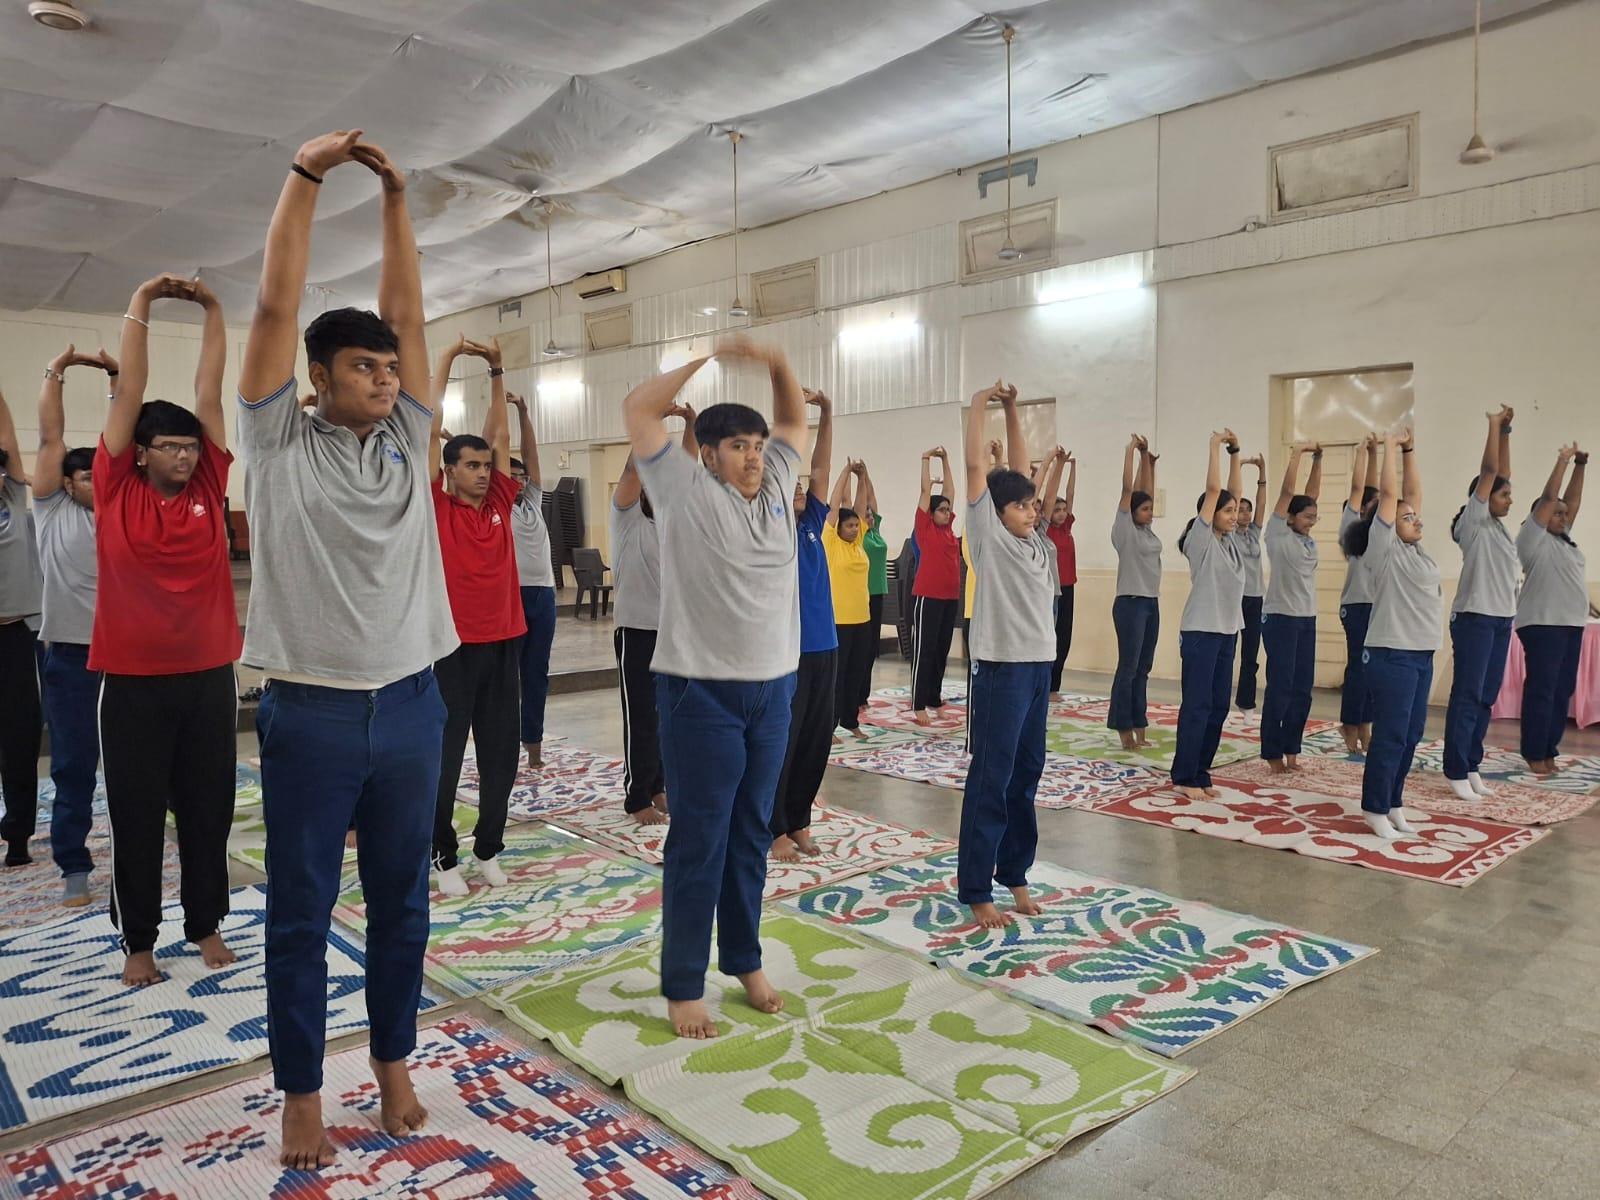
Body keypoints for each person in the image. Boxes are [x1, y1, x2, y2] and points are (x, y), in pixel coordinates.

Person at [238, 130, 458, 1168]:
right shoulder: (277, 439)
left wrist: (400, 198)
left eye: (388, 366)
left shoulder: (411, 440)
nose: (383, 377)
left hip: (413, 703)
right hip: (313, 709)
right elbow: (277, 311)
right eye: (362, 366)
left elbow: (409, 314)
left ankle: (395, 1060)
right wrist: (308, 177)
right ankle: (299, 1089)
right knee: (302, 907)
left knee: (403, 901)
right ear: (318, 378)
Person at [626, 336, 804, 1039]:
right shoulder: (682, 487)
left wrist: (778, 363)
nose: (754, 454)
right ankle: (681, 982)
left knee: (752, 833)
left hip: (772, 692)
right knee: (699, 838)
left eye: (755, 443)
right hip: (699, 692)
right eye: (735, 444)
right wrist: (709, 352)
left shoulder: (777, 483)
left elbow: (793, 425)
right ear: (706, 453)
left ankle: (744, 958)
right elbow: (638, 408)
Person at [95, 273, 240, 986]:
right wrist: (144, 301)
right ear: (141, 452)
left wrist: (214, 310)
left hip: (210, 676)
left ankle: (206, 924)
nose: (185, 455)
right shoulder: (116, 485)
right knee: (138, 817)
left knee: (209, 812)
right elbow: (130, 392)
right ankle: (139, 941)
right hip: (132, 684)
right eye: (171, 446)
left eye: (191, 446)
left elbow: (211, 390)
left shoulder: (210, 487)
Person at [427, 337, 525, 897]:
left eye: (488, 465)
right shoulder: (435, 506)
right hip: (450, 650)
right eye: (472, 465)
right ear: (448, 470)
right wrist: (445, 360)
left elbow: (500, 435)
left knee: (499, 758)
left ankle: (488, 847)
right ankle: (443, 856)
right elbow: (426, 426)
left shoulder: (500, 504)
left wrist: (495, 367)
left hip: (504, 644)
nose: (485, 472)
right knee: (443, 760)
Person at [957, 381, 1054, 929]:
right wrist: (980, 407)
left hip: (1037, 666)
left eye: (1032, 504)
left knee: (1028, 771)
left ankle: (1013, 871)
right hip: (1000, 668)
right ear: (996, 512)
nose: (1031, 511)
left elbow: (1022, 472)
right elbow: (978, 470)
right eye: (1019, 506)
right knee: (992, 774)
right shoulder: (988, 535)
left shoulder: (1035, 540)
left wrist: (1017, 408)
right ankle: (976, 885)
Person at [33, 345, 114, 905]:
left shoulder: (123, 510)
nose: (97, 484)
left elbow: (123, 436)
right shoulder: (52, 510)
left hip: (125, 655)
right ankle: (74, 866)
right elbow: (48, 439)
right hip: (67, 655)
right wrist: (57, 373)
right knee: (73, 763)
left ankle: (141, 848)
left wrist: (115, 375)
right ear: (67, 484)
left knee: (140, 762)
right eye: (87, 477)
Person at [611, 405, 696, 826]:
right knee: (641, 716)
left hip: (671, 632)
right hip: (636, 630)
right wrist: (648, 426)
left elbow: (687, 469)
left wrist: (692, 426)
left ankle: (659, 783)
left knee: (668, 713)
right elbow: (630, 472)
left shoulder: (672, 518)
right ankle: (636, 795)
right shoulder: (627, 517)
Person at [1352, 429, 1439, 839]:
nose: (1416, 519)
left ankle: (1394, 800)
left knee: (1412, 733)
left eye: (1415, 516)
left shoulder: (1416, 551)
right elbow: (1391, 496)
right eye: (1407, 517)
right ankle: (1374, 807)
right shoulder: (1382, 549)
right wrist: (1388, 447)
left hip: (1421, 655)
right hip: (1391, 654)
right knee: (1390, 733)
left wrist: (1409, 449)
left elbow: (1412, 493)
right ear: (1385, 525)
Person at [770, 388, 835, 862]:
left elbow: (823, 469)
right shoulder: (769, 529)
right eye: (789, 484)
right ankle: (772, 827)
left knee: (815, 739)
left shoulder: (811, 518)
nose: (799, 489)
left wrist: (827, 414)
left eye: (801, 484)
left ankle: (799, 821)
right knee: (783, 743)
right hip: (785, 651)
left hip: (824, 646)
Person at [1444, 407, 1517, 800]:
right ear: (1483, 496)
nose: (1510, 499)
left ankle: (1471, 762)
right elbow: (1491, 472)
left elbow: (1501, 473)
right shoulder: (1473, 521)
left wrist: (1507, 431)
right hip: (1475, 618)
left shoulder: (1499, 528)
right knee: (1469, 694)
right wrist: (1491, 426)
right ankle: (1455, 767)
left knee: (1487, 696)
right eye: (1504, 495)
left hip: (1501, 619)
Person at [1171, 431, 1246, 799]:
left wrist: (1237, 453)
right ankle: (1184, 776)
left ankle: (1201, 771)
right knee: (1198, 705)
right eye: (1227, 511)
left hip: (1227, 632)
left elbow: (1231, 490)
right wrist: (1214, 446)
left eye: (1236, 511)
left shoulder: (1230, 542)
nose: (1235, 516)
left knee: (1218, 706)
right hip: (1201, 632)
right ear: (1209, 514)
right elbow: (1216, 489)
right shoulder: (1200, 541)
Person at [1516, 442, 1587, 775]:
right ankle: (1534, 751)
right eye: (1555, 513)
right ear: (1540, 516)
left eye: (1564, 514)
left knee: (1562, 691)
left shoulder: (1565, 540)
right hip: (1543, 624)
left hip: (1571, 624)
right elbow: (1552, 498)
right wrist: (1561, 461)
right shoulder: (1533, 538)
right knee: (1543, 689)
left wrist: (1581, 466)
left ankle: (1549, 749)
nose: (1563, 516)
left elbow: (1570, 501)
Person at [0, 382, 45, 870]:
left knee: (19, 739)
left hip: (14, 638)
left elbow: (10, 444)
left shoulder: (13, 506)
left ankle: (18, 835)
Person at [1260, 443, 1323, 771]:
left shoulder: (1306, 537)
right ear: (1290, 516)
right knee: (1281, 687)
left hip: (1305, 619)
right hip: (1281, 618)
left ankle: (1292, 749)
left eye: (1314, 516)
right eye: (1307, 516)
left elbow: (1310, 495)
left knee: (1302, 690)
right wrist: (1297, 454)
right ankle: (1272, 752)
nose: (1312, 520)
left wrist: (1319, 459)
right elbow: (1288, 492)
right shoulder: (1277, 534)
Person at [504, 392, 557, 769]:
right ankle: (504, 744)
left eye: (522, 476)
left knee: (537, 673)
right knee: (510, 677)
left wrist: (524, 412)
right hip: (512, 595)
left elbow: (532, 454)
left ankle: (534, 745)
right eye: (512, 476)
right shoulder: (496, 507)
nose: (521, 481)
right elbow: (498, 451)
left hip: (544, 595)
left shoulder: (532, 502)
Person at [1110, 434, 1162, 750]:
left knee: (1144, 667)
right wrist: (1130, 452)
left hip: (1151, 603)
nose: (1150, 512)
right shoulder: (1125, 530)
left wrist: (1148, 461)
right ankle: (1122, 725)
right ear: (1132, 512)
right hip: (1130, 604)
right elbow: (1129, 492)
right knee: (1128, 667)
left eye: (1150, 509)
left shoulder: (1147, 530)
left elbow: (1145, 492)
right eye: (1144, 509)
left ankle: (1139, 722)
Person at [825, 459, 875, 738]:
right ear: (839, 529)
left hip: (862, 619)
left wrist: (863, 477)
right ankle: (829, 724)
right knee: (838, 676)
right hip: (840, 621)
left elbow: (860, 505)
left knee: (857, 673)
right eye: (850, 526)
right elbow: (835, 507)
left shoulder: (857, 545)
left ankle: (850, 721)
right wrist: (845, 472)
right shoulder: (831, 544)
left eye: (857, 526)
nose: (855, 529)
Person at [910, 446, 960, 723]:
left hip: (949, 597)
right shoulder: (925, 527)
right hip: (927, 597)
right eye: (941, 510)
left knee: (941, 649)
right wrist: (926, 459)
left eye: (948, 510)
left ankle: (933, 697)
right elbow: (925, 493)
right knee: (924, 650)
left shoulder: (950, 531)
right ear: (931, 513)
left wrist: (947, 459)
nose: (946, 512)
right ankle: (918, 702)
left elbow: (951, 491)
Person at [1338, 434, 1381, 752]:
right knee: (1357, 668)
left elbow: (1378, 492)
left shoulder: (1380, 531)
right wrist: (1364, 454)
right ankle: (1350, 725)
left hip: (1377, 606)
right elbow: (1358, 491)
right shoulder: (1351, 524)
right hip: (1356, 605)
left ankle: (1366, 725)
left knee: (1372, 670)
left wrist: (1378, 452)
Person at [1232, 454, 1267, 709]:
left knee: (1250, 655)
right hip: (1235, 598)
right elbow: (1232, 494)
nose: (1245, 513)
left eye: (1247, 509)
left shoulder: (1253, 533)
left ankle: (1246, 702)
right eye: (1239, 509)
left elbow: (1262, 503)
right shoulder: (1229, 535)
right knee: (1228, 650)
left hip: (1255, 599)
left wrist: (1262, 474)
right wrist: (1238, 466)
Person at [1043, 448, 1078, 696]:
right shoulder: (1046, 531)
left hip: (1069, 587)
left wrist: (1072, 467)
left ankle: (1056, 686)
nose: (1062, 513)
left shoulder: (1065, 527)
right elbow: (1051, 497)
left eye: (1064, 509)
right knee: (1052, 637)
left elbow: (1070, 493)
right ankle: (1046, 683)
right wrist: (1058, 466)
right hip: (1052, 590)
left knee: (1065, 637)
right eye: (1057, 510)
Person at [859, 464, 889, 712]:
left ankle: (863, 695)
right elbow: (864, 504)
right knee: (862, 646)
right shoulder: (859, 536)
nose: (869, 517)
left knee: (871, 648)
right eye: (866, 515)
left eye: (870, 515)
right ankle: (855, 693)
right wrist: (858, 480)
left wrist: (866, 475)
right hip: (863, 595)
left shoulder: (876, 532)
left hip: (878, 593)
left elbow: (873, 501)